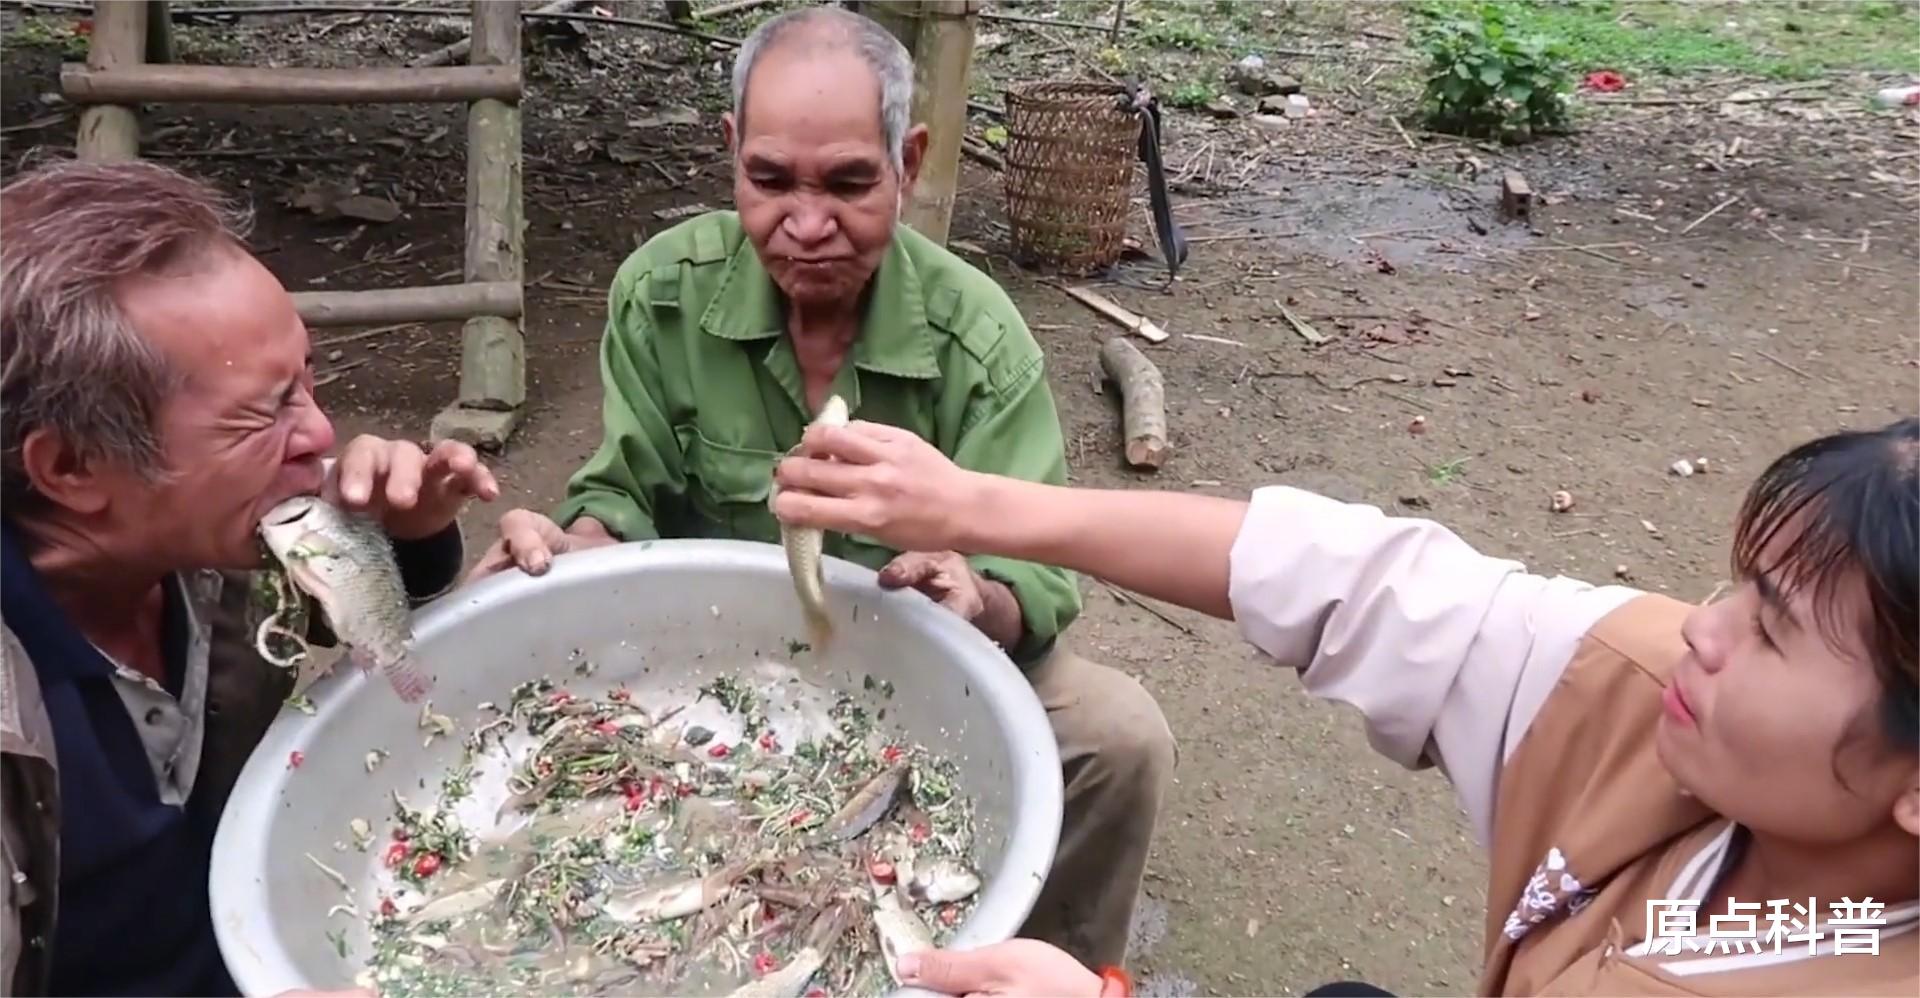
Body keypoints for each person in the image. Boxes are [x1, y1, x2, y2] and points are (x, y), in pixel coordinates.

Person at [465, 5, 1174, 968]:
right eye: (768, 182)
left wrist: (978, 595)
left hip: (927, 661)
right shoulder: (660, 293)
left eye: (849, 184)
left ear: (908, 161)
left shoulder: (979, 339)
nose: (805, 226)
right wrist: (575, 542)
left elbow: (1037, 580)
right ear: (731, 156)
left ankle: (1041, 968)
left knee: (1118, 737)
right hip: (711, 659)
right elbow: (626, 492)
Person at [766, 416, 1919, 997]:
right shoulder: (1649, 693)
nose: (1701, 627)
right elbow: (1346, 576)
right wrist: (974, 503)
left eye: (1769, 629)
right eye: (1733, 586)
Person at [0, 158, 500, 997]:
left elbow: (324, 616)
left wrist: (402, 540)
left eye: (306, 378)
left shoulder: (190, 547)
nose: (323, 431)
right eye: (267, 411)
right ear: (74, 467)